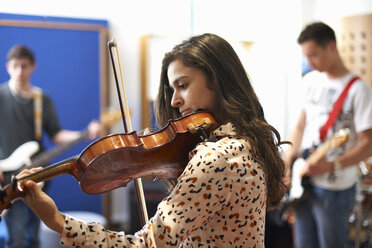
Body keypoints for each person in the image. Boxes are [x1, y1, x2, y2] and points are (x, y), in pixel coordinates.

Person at [16, 33, 287, 247]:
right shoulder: (248, 143)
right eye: (171, 89)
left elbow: (144, 245)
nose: (174, 100)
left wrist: (56, 220)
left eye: (182, 85)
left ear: (217, 80)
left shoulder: (215, 158)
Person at [0, 45, 102, 248]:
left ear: (33, 67)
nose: (20, 71)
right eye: (16, 66)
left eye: (25, 66)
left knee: (33, 236)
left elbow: (56, 134)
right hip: (8, 176)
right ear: (8, 67)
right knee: (16, 237)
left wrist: (85, 132)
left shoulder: (41, 99)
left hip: (37, 174)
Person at [284, 22, 372, 248]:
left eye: (313, 55)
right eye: (306, 56)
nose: (309, 62)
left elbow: (368, 144)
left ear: (331, 46)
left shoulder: (358, 89)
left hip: (335, 187)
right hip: (304, 178)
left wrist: (332, 166)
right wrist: (287, 160)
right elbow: (300, 125)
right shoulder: (310, 81)